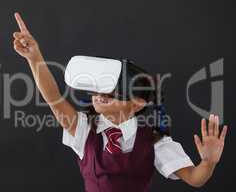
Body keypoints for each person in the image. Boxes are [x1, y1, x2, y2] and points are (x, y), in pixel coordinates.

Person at [12, 12, 228, 192]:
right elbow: (54, 99)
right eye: (100, 88)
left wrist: (208, 162)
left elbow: (194, 178)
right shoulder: (84, 129)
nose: (101, 94)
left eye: (114, 91)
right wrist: (35, 58)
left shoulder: (154, 140)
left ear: (137, 103)